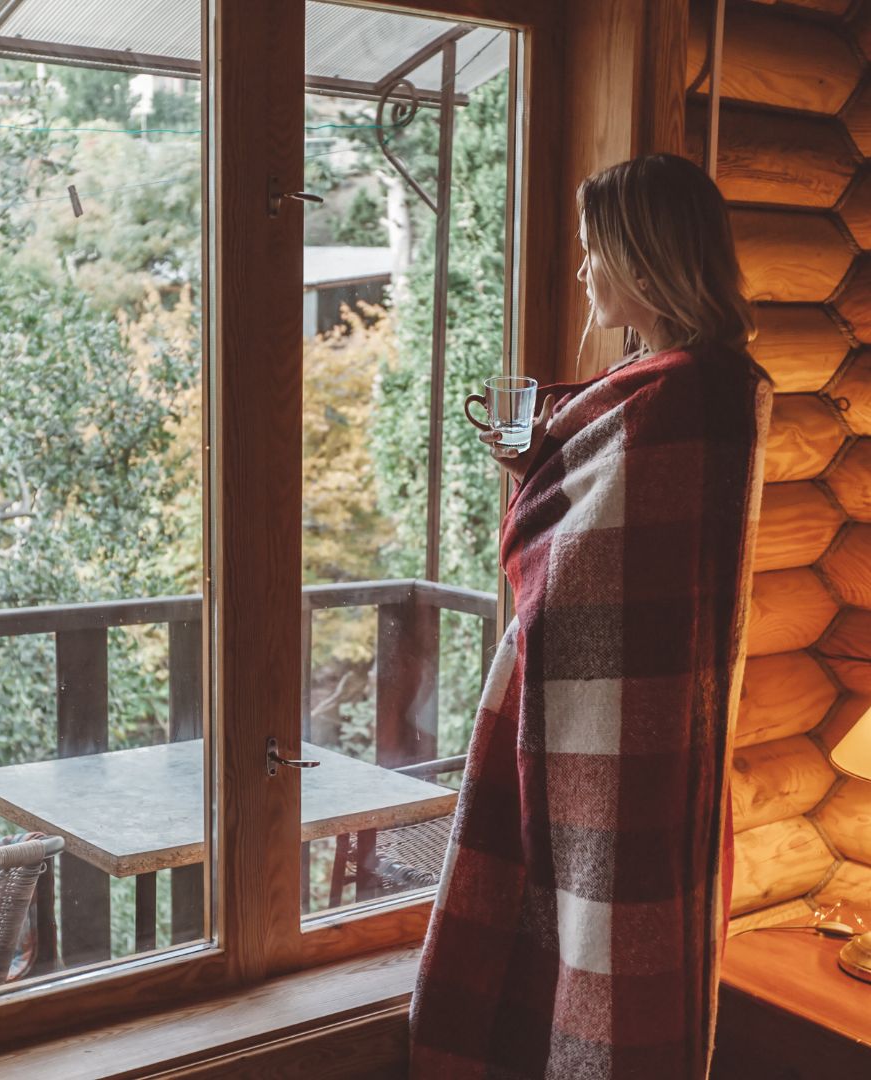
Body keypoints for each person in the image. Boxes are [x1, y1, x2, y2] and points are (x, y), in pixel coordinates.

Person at [409, 154, 772, 1079]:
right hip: (603, 708)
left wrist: (541, 476)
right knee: (564, 918)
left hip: (631, 722)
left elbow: (581, 557)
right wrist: (544, 462)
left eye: (590, 253)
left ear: (644, 262)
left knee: (608, 931)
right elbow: (588, 513)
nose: (581, 273)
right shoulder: (660, 382)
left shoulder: (688, 393)